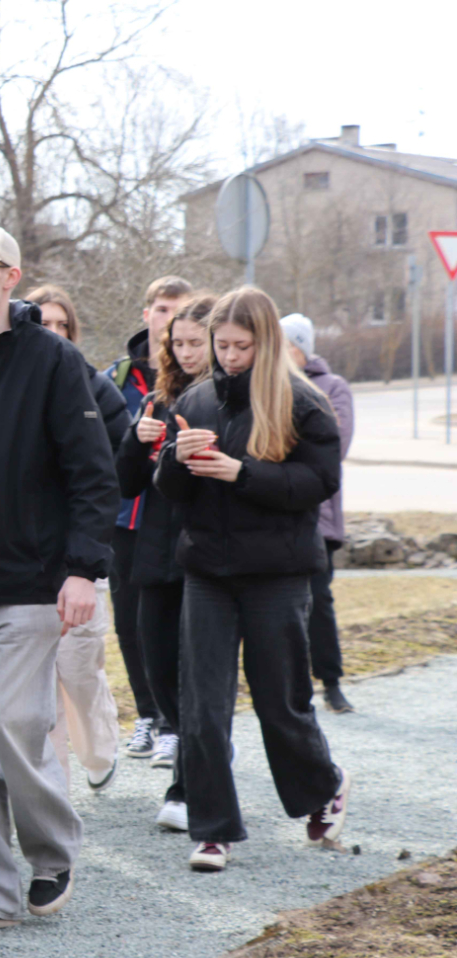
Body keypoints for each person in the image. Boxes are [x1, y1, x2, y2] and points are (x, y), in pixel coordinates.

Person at [0, 222, 118, 939]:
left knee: (10, 717)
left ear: (11, 276)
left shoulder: (54, 360)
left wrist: (81, 569)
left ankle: (50, 847)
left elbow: (93, 474)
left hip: (34, 581)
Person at [155, 287, 351, 872]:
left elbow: (316, 484)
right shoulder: (195, 398)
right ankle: (214, 830)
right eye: (223, 345)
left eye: (242, 346)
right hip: (208, 573)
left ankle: (324, 786)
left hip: (278, 574)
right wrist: (175, 458)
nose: (231, 356)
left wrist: (241, 472)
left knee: (280, 703)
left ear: (266, 343)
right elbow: (170, 492)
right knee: (202, 707)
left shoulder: (304, 402)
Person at [116, 293, 217, 830]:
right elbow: (126, 481)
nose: (183, 353)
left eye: (193, 343)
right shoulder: (158, 397)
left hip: (207, 554)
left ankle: (186, 785)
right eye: (176, 344)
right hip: (155, 552)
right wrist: (137, 442)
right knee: (157, 668)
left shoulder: (225, 399)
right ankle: (191, 752)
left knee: (195, 673)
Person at [27, 284, 127, 791]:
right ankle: (54, 792)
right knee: (41, 685)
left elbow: (113, 467)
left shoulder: (90, 384)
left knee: (79, 669)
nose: (50, 333)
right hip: (30, 560)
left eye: (60, 325)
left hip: (81, 553)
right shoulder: (11, 383)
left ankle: (98, 748)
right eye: (40, 323)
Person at [108, 276, 195, 761]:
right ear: (147, 315)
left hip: (174, 524)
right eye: (162, 310)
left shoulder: (195, 383)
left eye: (180, 313)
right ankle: (147, 714)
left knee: (175, 630)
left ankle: (175, 726)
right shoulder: (119, 378)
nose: (169, 321)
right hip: (127, 520)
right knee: (131, 626)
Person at [281, 313, 356, 714]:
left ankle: (331, 682)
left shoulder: (333, 388)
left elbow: (331, 449)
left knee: (318, 601)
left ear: (298, 348)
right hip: (273, 511)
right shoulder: (266, 387)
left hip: (319, 519)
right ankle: (291, 689)